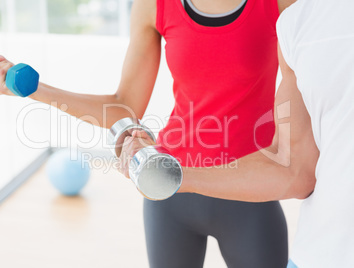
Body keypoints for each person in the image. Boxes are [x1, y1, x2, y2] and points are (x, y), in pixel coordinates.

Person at [0, 0, 295, 267]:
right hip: (168, 187)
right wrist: (36, 91)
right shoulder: (155, 5)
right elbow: (126, 105)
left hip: (250, 192)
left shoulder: (280, 4)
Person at [121, 0, 354, 267]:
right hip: (314, 254)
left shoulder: (282, 9)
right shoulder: (299, 20)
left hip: (253, 206)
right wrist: (169, 173)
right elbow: (295, 170)